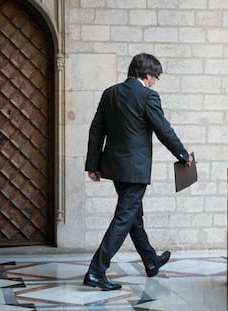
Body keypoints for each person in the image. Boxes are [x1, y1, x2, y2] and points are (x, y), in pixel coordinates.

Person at [84, 53, 192, 291]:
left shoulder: (109, 93)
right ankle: (95, 271)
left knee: (133, 216)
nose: (155, 82)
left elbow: (96, 130)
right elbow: (164, 130)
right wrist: (183, 155)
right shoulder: (148, 96)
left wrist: (93, 164)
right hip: (135, 169)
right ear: (147, 75)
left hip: (113, 166)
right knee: (124, 217)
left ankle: (150, 261)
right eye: (155, 77)